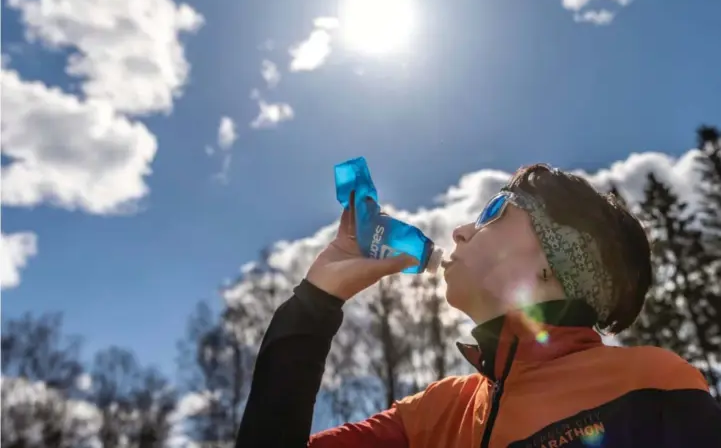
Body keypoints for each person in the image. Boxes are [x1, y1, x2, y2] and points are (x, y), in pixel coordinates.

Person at [235, 164, 721, 448]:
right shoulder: (435, 413)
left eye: (493, 212)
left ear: (557, 260)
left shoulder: (654, 381)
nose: (460, 231)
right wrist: (317, 298)